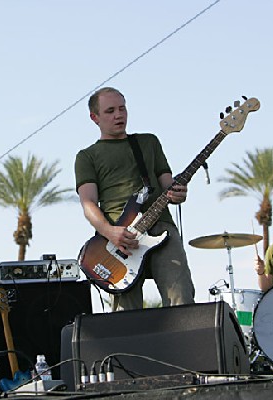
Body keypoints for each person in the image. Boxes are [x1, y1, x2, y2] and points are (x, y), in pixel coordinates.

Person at [74, 87, 195, 310]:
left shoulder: (148, 142)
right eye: (110, 111)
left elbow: (167, 184)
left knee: (181, 300)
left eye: (122, 108)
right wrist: (110, 232)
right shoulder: (87, 156)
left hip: (161, 229)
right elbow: (88, 202)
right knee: (126, 316)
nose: (118, 115)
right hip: (118, 240)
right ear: (95, 117)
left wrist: (178, 193)